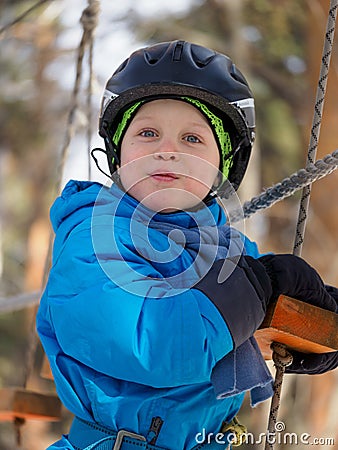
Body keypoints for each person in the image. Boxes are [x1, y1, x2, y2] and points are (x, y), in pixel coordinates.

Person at [37, 40, 338, 450]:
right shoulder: (93, 239)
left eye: (192, 139)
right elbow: (156, 346)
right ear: (117, 153)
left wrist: (311, 327)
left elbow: (243, 319)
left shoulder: (230, 252)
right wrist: (260, 286)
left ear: (223, 165)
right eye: (147, 133)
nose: (167, 151)